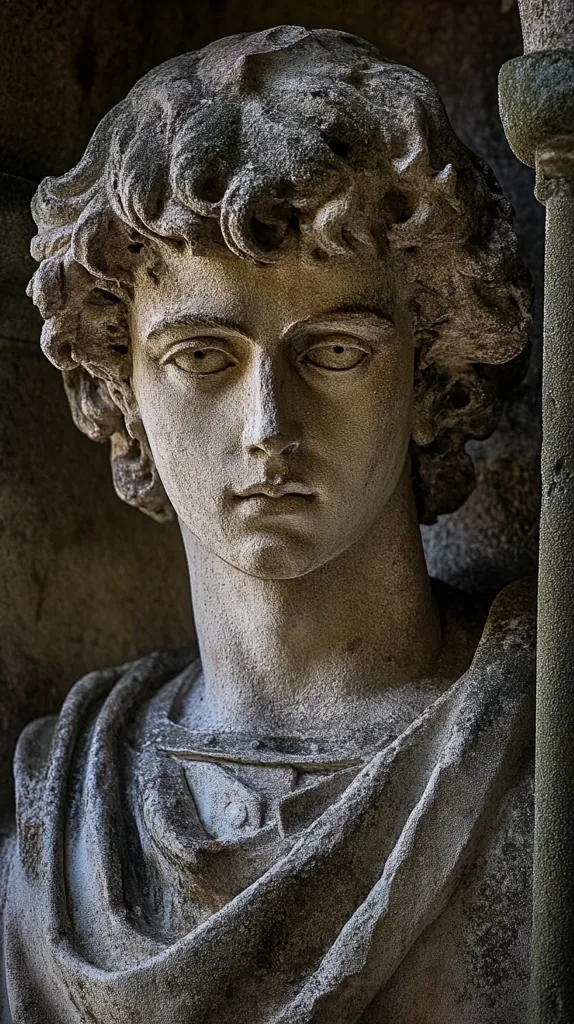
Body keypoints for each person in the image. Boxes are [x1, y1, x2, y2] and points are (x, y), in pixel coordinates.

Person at [1, 26, 534, 1023]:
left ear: (431, 372)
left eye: (333, 351)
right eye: (202, 356)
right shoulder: (62, 823)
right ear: (120, 388)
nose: (267, 428)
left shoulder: (532, 754)